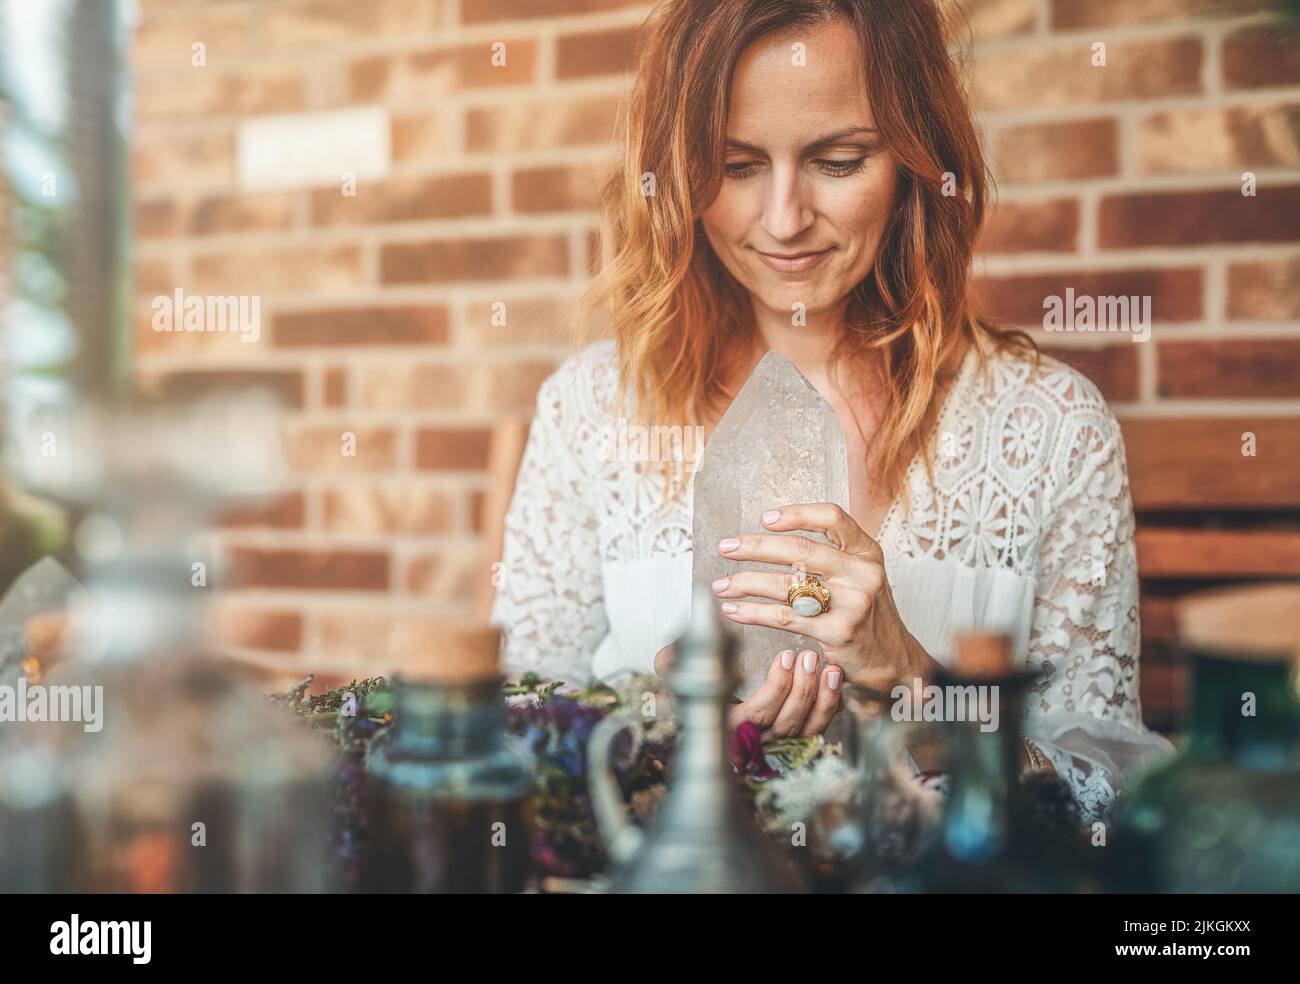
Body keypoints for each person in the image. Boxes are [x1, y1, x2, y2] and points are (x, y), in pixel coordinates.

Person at [490, 0, 1173, 824]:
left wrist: (916, 694)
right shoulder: (591, 410)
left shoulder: (1053, 427)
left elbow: (1112, 804)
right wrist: (655, 729)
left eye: (839, 161)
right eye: (736, 166)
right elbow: (509, 732)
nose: (784, 220)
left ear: (919, 160)